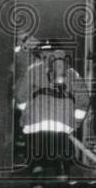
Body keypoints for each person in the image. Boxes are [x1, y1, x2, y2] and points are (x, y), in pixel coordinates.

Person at [14, 39, 89, 178]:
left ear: (41, 54)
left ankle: (37, 186)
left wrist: (26, 111)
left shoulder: (33, 70)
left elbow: (19, 95)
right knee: (61, 156)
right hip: (63, 123)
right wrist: (75, 123)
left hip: (35, 122)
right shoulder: (72, 73)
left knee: (36, 156)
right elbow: (83, 100)